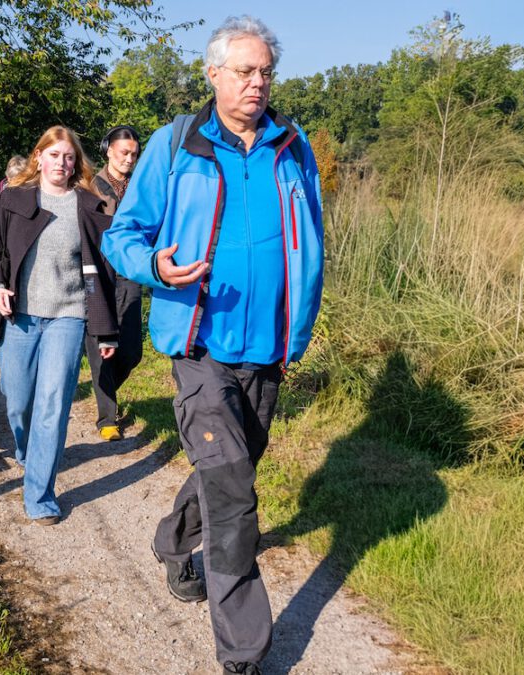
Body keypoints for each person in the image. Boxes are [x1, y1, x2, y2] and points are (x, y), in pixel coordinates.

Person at [100, 16, 324, 675]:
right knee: (233, 498)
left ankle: (172, 540)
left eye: (265, 72)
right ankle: (245, 653)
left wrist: (298, 329)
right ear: (214, 75)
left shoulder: (292, 145)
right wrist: (157, 268)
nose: (257, 83)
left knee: (232, 470)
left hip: (267, 350)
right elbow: (124, 236)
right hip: (199, 347)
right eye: (245, 71)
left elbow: (307, 244)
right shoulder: (178, 145)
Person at [0, 126, 119, 526]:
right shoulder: (11, 200)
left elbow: (104, 273)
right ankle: (28, 450)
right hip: (19, 317)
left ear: (76, 163)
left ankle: (39, 493)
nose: (62, 163)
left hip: (69, 317)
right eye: (54, 155)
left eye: (69, 157)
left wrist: (106, 329)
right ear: (38, 157)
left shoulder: (89, 207)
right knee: (18, 400)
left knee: (53, 404)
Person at [88, 125, 143, 441]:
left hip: (130, 272)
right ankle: (107, 417)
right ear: (108, 150)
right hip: (97, 273)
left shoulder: (138, 187)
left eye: (134, 154)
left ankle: (105, 389)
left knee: (132, 350)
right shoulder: (90, 187)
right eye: (124, 152)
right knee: (99, 348)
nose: (129, 159)